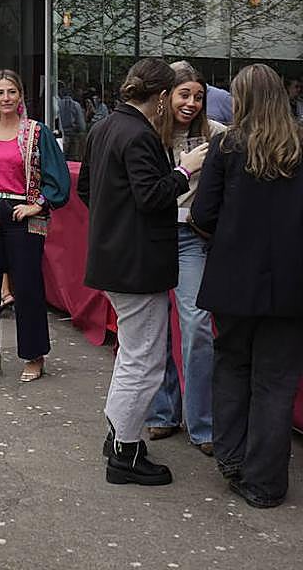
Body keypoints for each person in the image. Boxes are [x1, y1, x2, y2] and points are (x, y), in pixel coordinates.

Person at [78, 57, 209, 487]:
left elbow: (86, 190)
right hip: (137, 264)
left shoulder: (104, 127)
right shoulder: (139, 135)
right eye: (171, 94)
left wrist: (113, 221)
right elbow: (153, 196)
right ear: (159, 96)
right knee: (145, 361)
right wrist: (184, 169)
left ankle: (120, 437)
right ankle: (125, 452)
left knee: (133, 356)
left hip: (115, 259)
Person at [192, 64, 303, 508]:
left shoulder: (227, 145)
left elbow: (202, 214)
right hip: (292, 283)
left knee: (234, 367)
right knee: (276, 381)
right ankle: (265, 481)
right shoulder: (298, 146)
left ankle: (233, 459)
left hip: (235, 278)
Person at [0, 70, 70, 383]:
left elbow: (59, 177)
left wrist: (39, 204)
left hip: (22, 215)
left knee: (27, 288)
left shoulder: (38, 133)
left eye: (12, 92)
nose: (6, 98)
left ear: (21, 95)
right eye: (0, 93)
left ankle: (34, 355)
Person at [144, 63, 225, 457]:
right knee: (155, 326)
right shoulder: (148, 136)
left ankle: (202, 422)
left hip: (192, 238)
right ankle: (162, 413)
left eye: (197, 96)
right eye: (183, 95)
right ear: (166, 96)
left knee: (196, 325)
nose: (191, 103)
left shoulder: (217, 136)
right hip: (155, 237)